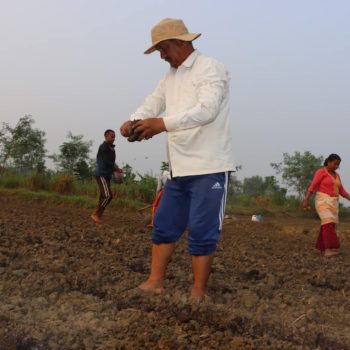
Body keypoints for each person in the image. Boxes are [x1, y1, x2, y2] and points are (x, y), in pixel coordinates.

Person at [120, 18, 235, 299]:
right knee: (165, 225)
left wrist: (162, 124)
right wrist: (133, 120)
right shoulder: (170, 76)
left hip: (209, 166)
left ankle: (198, 292)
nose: (161, 55)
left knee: (202, 231)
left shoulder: (210, 68)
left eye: (163, 48)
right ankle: (155, 281)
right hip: (178, 167)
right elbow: (153, 102)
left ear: (181, 43)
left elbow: (206, 110)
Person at [303, 154, 350, 257]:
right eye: (335, 164)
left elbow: (341, 190)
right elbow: (313, 186)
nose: (336, 166)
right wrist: (306, 199)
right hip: (322, 201)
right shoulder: (321, 172)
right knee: (328, 222)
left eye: (338, 165)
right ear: (328, 162)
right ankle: (328, 250)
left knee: (329, 224)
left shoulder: (337, 176)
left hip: (333, 202)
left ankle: (321, 248)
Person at [91, 129, 122, 224]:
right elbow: (106, 161)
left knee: (103, 196)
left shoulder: (111, 149)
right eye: (111, 136)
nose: (113, 138)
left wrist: (117, 169)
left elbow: (112, 162)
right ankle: (96, 214)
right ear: (106, 136)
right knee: (108, 196)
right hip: (101, 174)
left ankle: (98, 215)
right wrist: (116, 169)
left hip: (107, 175)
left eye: (114, 136)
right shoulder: (104, 147)